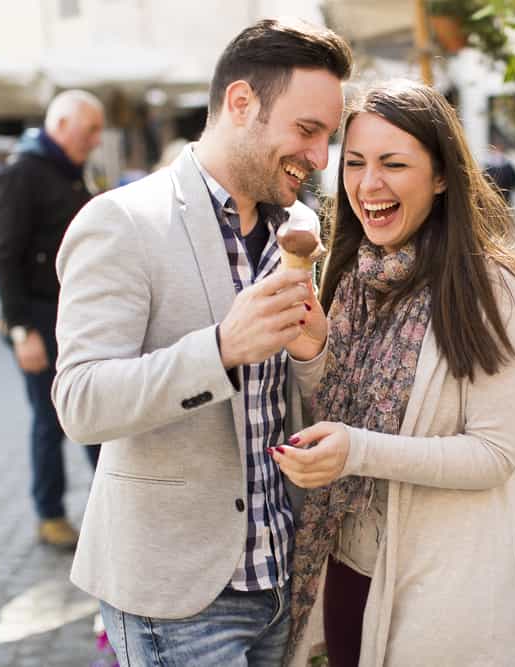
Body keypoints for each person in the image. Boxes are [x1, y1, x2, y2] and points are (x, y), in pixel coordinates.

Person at [51, 19, 351, 666]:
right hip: (175, 593)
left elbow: (305, 393)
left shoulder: (298, 226)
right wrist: (219, 350)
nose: (322, 158)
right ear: (241, 103)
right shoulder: (121, 223)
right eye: (307, 130)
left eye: (329, 135)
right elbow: (80, 402)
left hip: (279, 571)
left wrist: (311, 351)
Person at [272, 80, 515, 667]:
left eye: (393, 164)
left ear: (442, 175)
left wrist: (358, 451)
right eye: (354, 163)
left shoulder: (492, 290)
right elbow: (336, 415)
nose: (368, 185)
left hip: (442, 590)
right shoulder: (350, 274)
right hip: (346, 570)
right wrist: (312, 355)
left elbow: (494, 454)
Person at [0, 89, 104, 549]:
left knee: (96, 411)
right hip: (38, 318)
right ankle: (50, 514)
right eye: (89, 130)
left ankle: (112, 501)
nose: (96, 140)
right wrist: (21, 330)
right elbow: (2, 255)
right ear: (60, 125)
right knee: (50, 419)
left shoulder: (68, 170)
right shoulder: (23, 172)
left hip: (75, 316)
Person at [483, 139, 515, 203]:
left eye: (498, 149)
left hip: (505, 198)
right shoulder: (488, 166)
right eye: (494, 149)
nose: (497, 152)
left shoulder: (507, 166)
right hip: (492, 199)